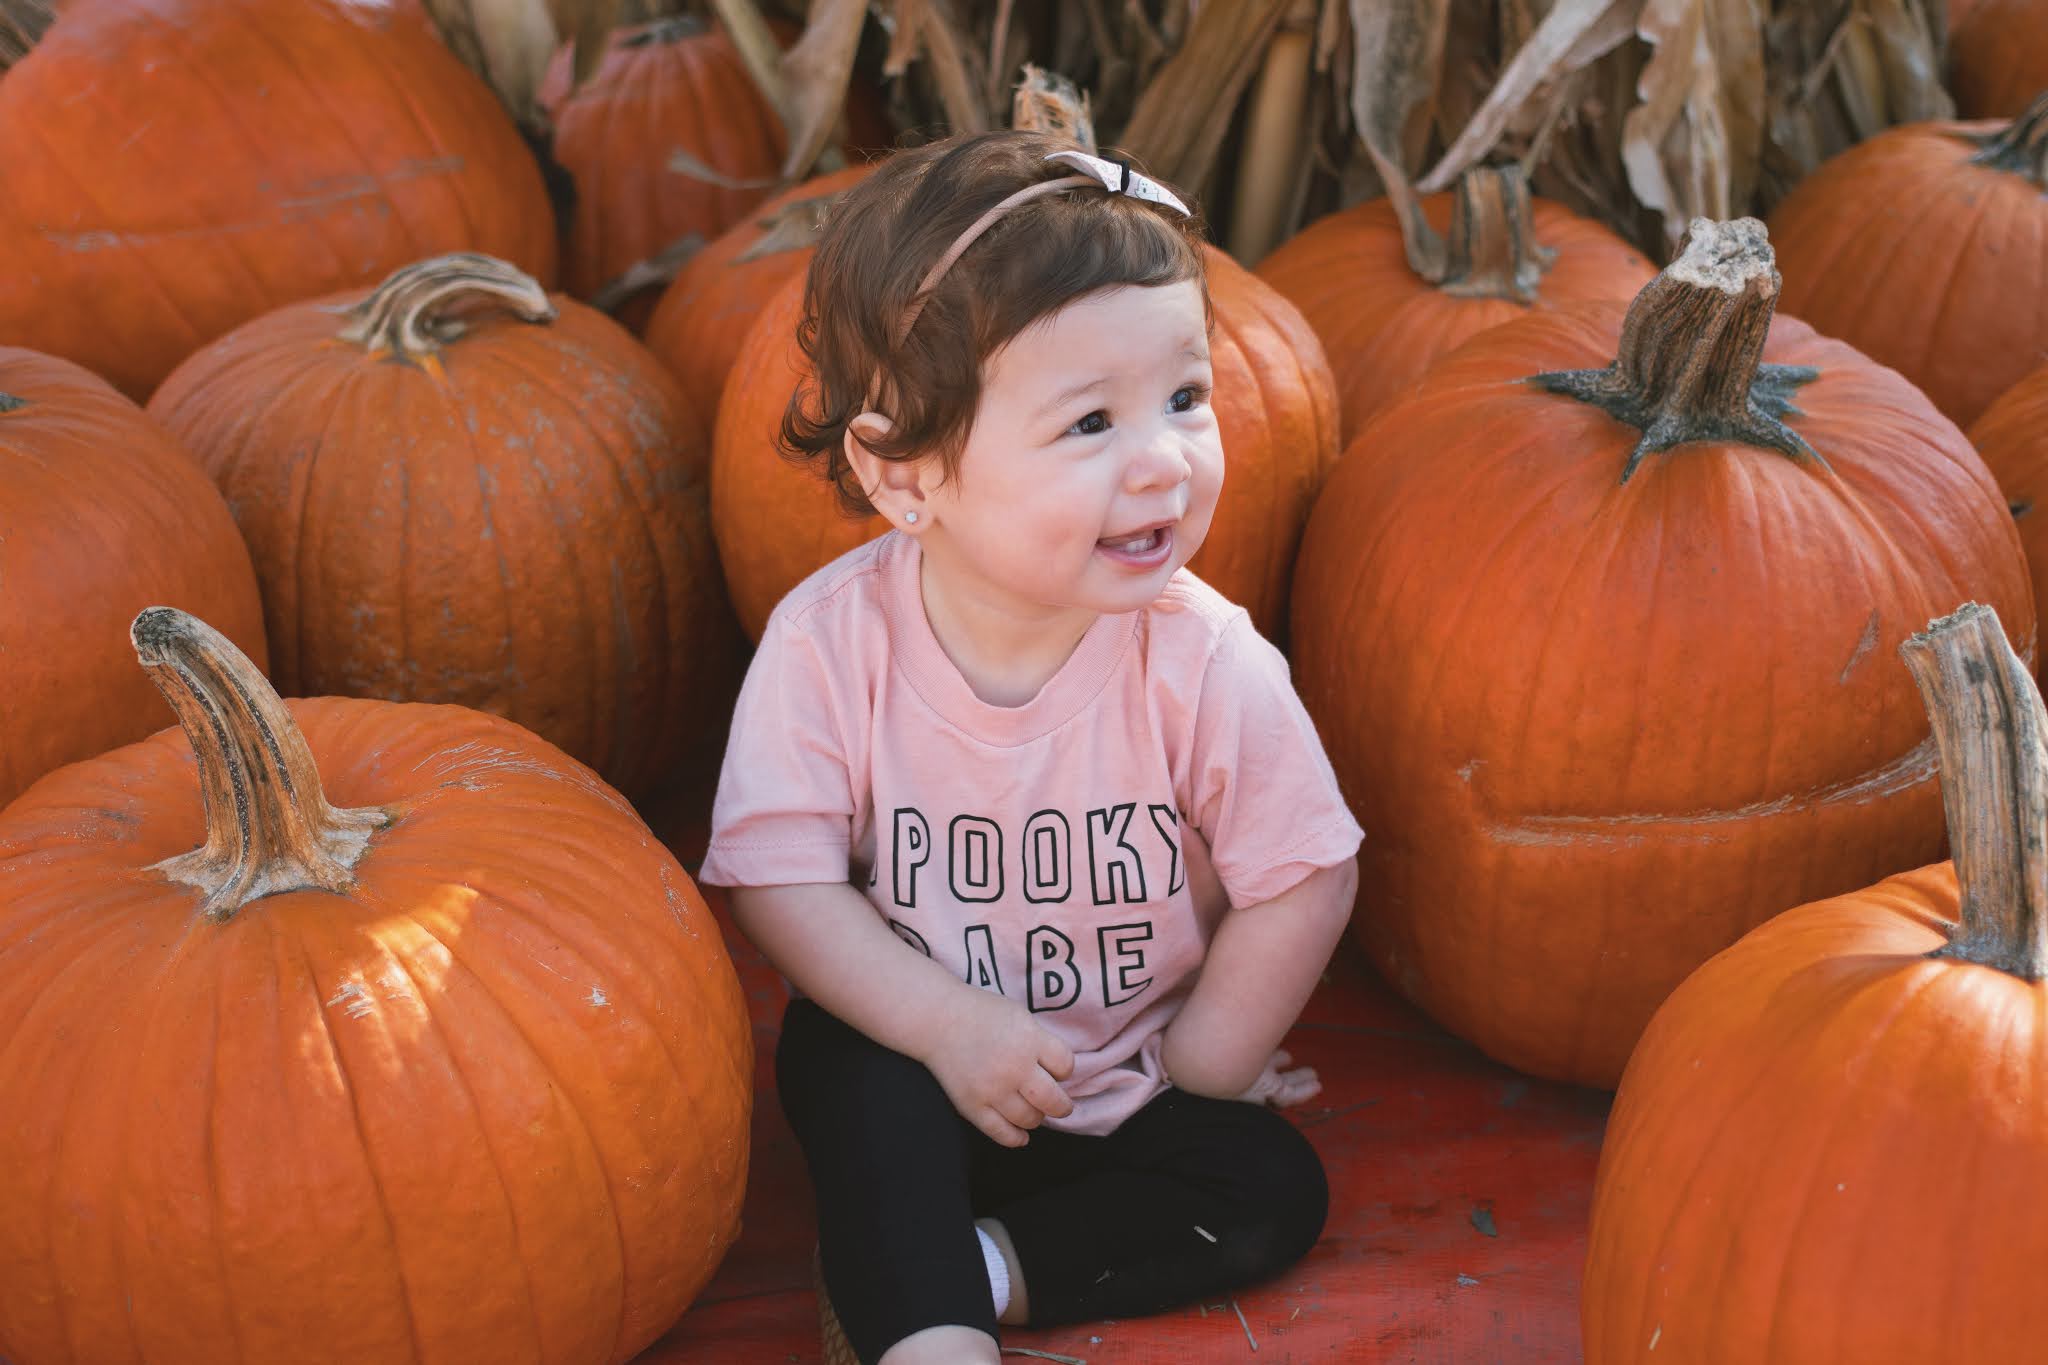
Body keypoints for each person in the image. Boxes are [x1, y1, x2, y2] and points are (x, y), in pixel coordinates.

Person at [697, 128, 1364, 1365]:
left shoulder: (1204, 661)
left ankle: (972, 1270)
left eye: (1184, 398)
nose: (1162, 461)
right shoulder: (831, 644)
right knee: (841, 1066)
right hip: (925, 1052)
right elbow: (778, 879)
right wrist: (946, 1026)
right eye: (1089, 422)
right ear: (904, 474)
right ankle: (932, 1338)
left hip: (1126, 1087)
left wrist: (1207, 1061)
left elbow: (1304, 871)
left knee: (1271, 1184)